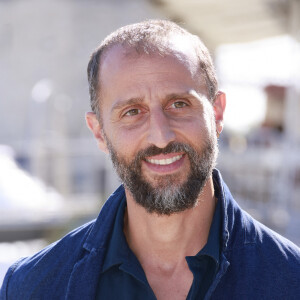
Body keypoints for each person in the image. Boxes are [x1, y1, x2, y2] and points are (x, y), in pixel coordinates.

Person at [1, 20, 300, 300]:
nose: (160, 135)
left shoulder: (291, 279)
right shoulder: (31, 287)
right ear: (99, 132)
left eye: (179, 104)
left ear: (217, 112)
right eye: (132, 112)